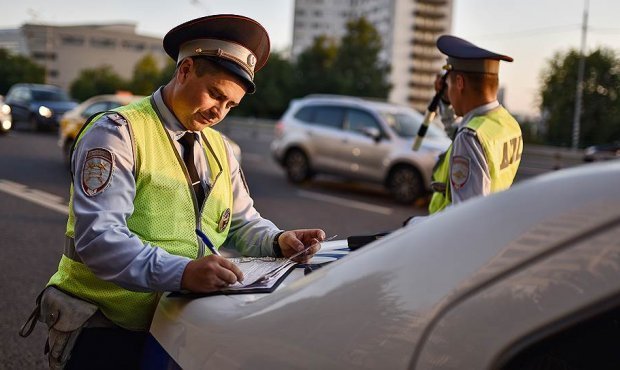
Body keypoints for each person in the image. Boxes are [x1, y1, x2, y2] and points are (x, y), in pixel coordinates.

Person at [20, 14, 325, 369]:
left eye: (230, 106)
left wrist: (277, 240)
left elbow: (240, 220)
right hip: (103, 327)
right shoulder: (118, 133)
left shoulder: (221, 148)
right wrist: (183, 273)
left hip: (174, 326)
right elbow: (99, 240)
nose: (218, 113)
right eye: (215, 95)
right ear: (185, 70)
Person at [427, 35, 523, 215]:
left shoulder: (469, 137)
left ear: (460, 83)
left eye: (448, 85)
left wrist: (413, 225)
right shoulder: (508, 125)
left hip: (451, 238)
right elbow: (459, 130)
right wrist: (447, 102)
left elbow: (464, 215)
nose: (447, 90)